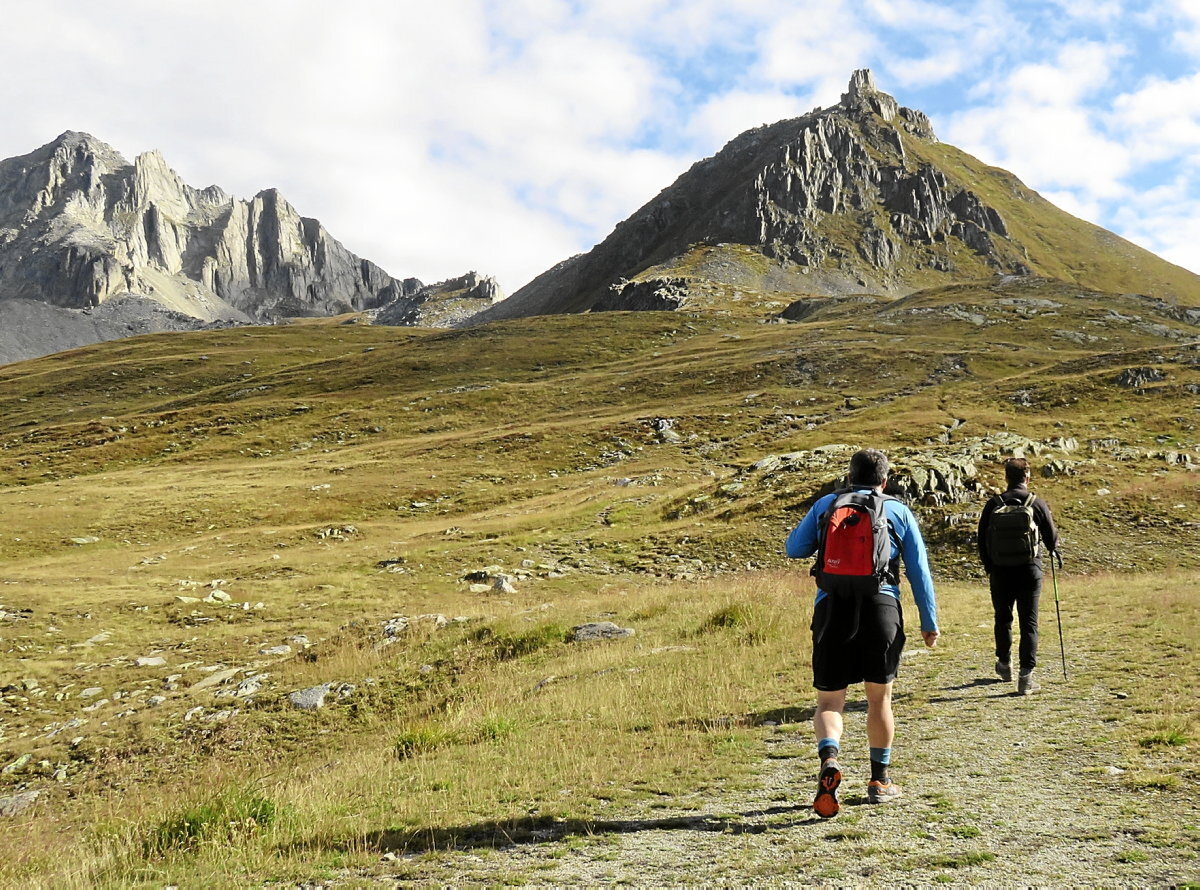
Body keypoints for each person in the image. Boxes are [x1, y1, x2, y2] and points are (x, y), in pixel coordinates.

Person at [785, 448, 939, 818]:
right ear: (885, 480)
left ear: (849, 476)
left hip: (831, 607)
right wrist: (928, 622)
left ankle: (830, 759)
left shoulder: (827, 504)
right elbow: (919, 570)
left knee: (828, 703)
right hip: (881, 607)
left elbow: (794, 549)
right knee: (879, 700)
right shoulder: (898, 511)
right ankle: (880, 781)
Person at [977, 457, 1059, 695]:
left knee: (1002, 617)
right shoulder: (1037, 503)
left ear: (1006, 477)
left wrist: (990, 566)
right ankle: (1026, 676)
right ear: (1027, 477)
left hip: (1001, 570)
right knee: (1029, 621)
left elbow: (982, 539)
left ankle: (1004, 664)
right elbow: (1052, 540)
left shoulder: (993, 504)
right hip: (1029, 569)